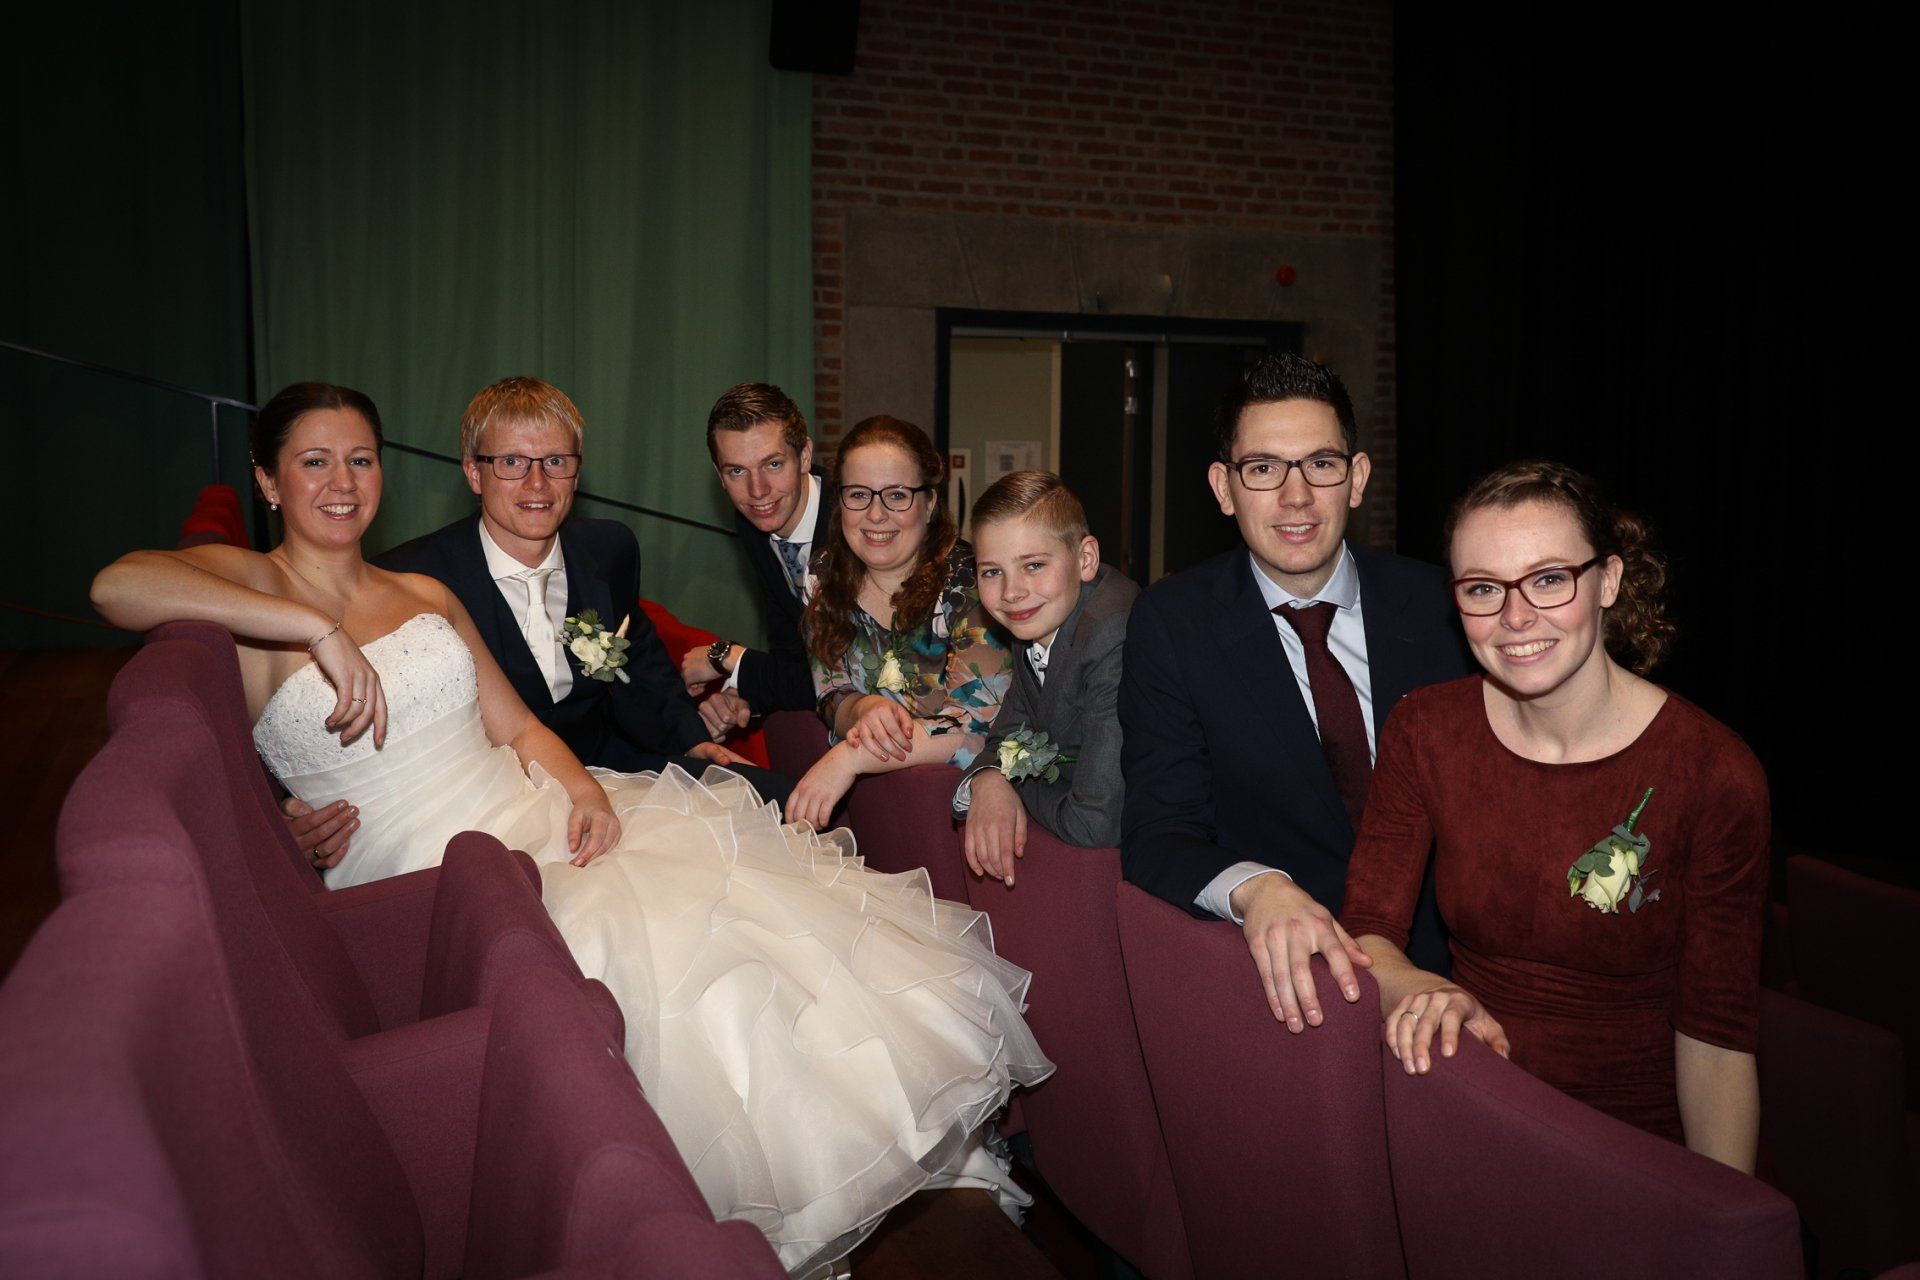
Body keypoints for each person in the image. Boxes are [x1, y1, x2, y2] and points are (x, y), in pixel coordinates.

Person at [91, 382, 1052, 1274]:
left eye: (361, 460)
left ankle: (816, 1175)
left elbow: (519, 728)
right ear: (267, 480)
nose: (343, 482)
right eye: (315, 462)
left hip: (541, 802)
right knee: (649, 955)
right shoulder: (253, 591)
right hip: (420, 866)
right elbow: (118, 585)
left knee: (732, 922)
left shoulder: (422, 596)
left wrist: (588, 794)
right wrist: (309, 634)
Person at [1339, 461, 1765, 1170]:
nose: (1515, 617)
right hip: (1467, 1104)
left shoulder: (1713, 772)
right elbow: (1369, 931)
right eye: (1483, 588)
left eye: (1547, 579)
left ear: (1608, 581)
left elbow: (1717, 1044)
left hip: (1631, 1146)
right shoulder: (1425, 730)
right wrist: (1417, 985)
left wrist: (1718, 1214)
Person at [1120, 352, 1471, 1034]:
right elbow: (1159, 835)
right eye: (1263, 469)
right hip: (1295, 992)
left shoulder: (1443, 605)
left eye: (1321, 463)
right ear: (1224, 488)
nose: (1296, 496)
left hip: (1459, 976)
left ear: (1357, 478)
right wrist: (1257, 888)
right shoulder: (1172, 625)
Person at [784, 416, 1014, 831]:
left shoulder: (974, 584)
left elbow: (974, 728)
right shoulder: (823, 575)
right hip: (877, 813)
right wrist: (863, 708)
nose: (876, 514)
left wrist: (850, 757)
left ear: (929, 503)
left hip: (958, 815)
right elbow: (831, 693)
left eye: (896, 495)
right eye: (859, 494)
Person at [950, 471, 1138, 886]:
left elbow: (1095, 824)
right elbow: (1006, 735)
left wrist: (1011, 786)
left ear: (1085, 560)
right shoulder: (1038, 614)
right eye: (992, 572)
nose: (1011, 592)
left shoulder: (1112, 636)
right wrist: (989, 778)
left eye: (1033, 565)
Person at [679, 382, 824, 741]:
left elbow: (849, 679)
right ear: (719, 474)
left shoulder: (859, 521)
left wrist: (727, 658)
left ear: (805, 455)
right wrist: (741, 697)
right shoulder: (752, 522)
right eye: (737, 471)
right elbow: (791, 654)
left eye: (773, 464)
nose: (757, 491)